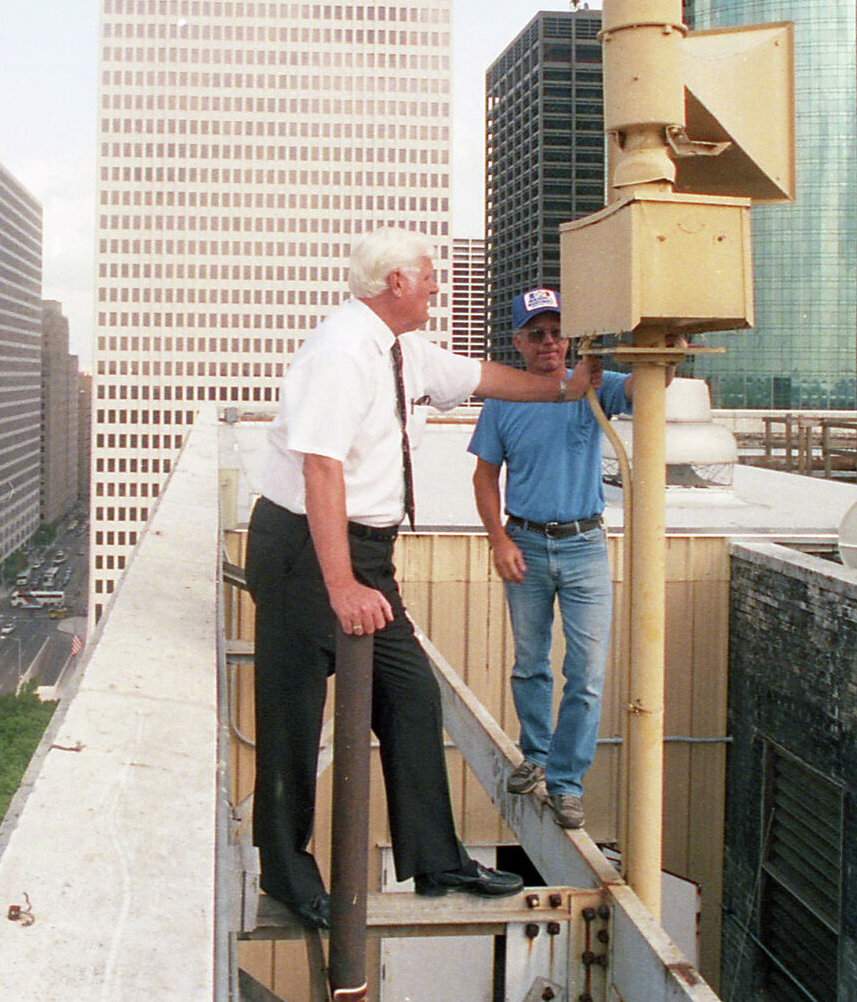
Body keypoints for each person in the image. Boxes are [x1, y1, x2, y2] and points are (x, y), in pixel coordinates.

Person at [247, 228, 602, 930]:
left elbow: (480, 378)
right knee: (291, 719)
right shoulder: (341, 350)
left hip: (363, 552)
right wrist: (343, 584)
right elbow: (321, 468)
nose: (438, 286)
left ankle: (435, 858)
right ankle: (288, 875)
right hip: (305, 550)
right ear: (395, 283)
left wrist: (562, 389)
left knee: (410, 696)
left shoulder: (402, 348)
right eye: (429, 277)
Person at [468, 287, 633, 831]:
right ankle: (535, 756)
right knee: (530, 663)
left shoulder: (594, 386)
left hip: (585, 544)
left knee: (585, 672)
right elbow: (485, 476)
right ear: (518, 342)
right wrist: (499, 540)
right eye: (536, 333)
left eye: (557, 331)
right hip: (528, 544)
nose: (548, 342)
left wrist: (662, 347)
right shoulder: (505, 399)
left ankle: (566, 783)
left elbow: (643, 390)